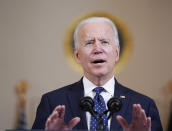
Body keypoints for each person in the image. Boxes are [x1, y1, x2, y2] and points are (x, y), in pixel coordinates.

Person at [32, 17, 163, 131]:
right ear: (77, 55)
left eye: (104, 42)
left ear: (116, 53)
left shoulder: (145, 106)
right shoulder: (52, 103)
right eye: (89, 43)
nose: (97, 49)